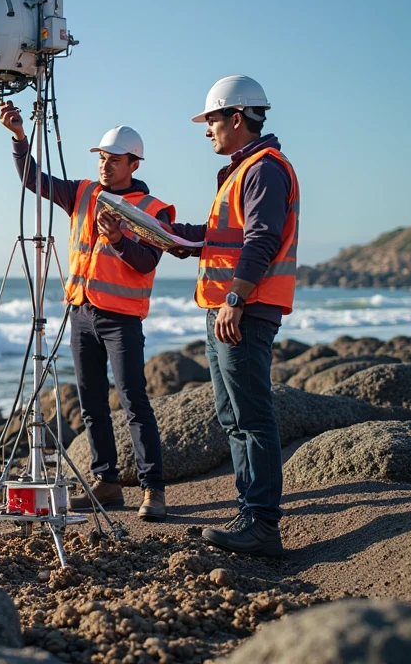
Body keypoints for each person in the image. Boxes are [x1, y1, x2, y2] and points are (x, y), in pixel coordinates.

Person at [0, 101, 173, 521]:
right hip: (81, 314)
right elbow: (33, 180)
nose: (105, 166)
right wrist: (20, 138)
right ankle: (108, 482)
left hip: (121, 320)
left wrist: (117, 239)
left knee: (134, 400)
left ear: (133, 163)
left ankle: (153, 490)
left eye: (114, 160)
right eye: (101, 158)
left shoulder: (153, 209)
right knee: (91, 402)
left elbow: (148, 262)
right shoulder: (82, 192)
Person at [165, 75, 300, 556]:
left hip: (244, 309)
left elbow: (261, 239)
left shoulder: (264, 169)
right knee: (231, 415)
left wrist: (236, 300)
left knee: (252, 415)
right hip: (227, 308)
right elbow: (218, 236)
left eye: (212, 120)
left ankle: (263, 524)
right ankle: (250, 512)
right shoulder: (242, 170)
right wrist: (163, 234)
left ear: (236, 119)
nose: (208, 131)